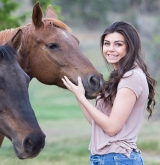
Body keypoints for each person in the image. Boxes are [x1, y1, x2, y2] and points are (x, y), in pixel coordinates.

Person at [61, 21, 157, 165]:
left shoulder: (131, 77)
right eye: (107, 44)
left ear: (130, 47)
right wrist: (79, 96)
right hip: (107, 158)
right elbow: (96, 123)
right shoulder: (120, 76)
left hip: (117, 158)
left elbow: (112, 128)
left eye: (118, 44)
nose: (110, 49)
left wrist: (82, 97)